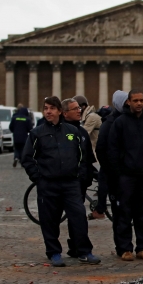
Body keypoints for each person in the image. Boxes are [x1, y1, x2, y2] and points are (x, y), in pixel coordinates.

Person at [21, 96, 100, 266]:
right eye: (45, 108)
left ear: (59, 111)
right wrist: (38, 178)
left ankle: (84, 251)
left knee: (79, 218)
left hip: (71, 183)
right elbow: (27, 158)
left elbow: (83, 157)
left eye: (51, 108)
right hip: (48, 184)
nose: (48, 111)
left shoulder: (73, 132)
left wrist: (79, 174)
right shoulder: (37, 133)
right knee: (50, 220)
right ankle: (54, 252)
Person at [108, 90, 143, 261]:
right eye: (135, 100)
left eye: (141, 100)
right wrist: (117, 175)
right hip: (126, 176)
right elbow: (113, 150)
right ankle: (125, 248)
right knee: (124, 213)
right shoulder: (120, 123)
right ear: (128, 102)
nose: (139, 103)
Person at [61, 98, 99, 257]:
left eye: (79, 108)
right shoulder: (61, 130)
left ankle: (76, 246)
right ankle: (76, 247)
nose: (79, 111)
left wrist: (93, 175)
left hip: (81, 180)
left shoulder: (82, 131)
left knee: (76, 215)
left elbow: (88, 158)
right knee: (75, 215)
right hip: (67, 180)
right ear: (65, 113)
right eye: (75, 109)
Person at [94, 90, 128, 228]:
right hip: (111, 166)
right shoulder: (110, 123)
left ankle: (100, 208)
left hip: (124, 168)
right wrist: (109, 166)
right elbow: (101, 148)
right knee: (103, 179)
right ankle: (100, 208)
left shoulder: (129, 120)